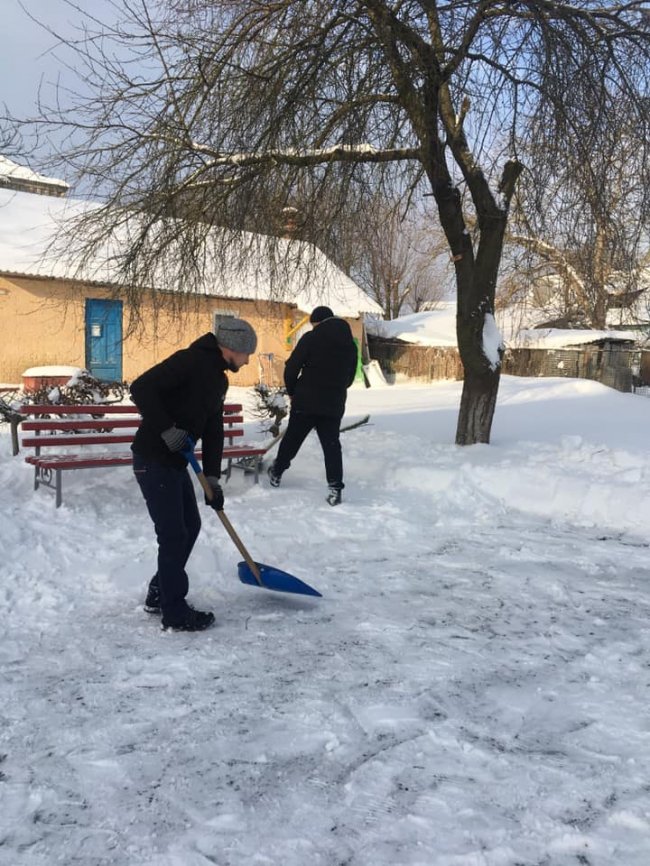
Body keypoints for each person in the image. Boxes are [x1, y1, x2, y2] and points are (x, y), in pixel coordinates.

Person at [130, 318, 257, 631]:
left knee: (190, 525)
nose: (248, 360)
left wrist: (212, 478)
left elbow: (213, 429)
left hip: (173, 462)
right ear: (231, 348)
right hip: (152, 457)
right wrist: (166, 429)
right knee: (173, 534)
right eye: (246, 354)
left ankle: (160, 592)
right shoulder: (189, 361)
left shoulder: (218, 379)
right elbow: (141, 387)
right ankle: (173, 611)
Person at [268, 305, 358, 505]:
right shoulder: (350, 344)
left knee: (293, 439)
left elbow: (291, 368)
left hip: (306, 402)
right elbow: (350, 378)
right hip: (333, 404)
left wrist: (292, 391)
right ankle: (335, 488)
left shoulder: (311, 338)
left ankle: (276, 472)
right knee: (331, 446)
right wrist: (335, 388)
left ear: (317, 322)